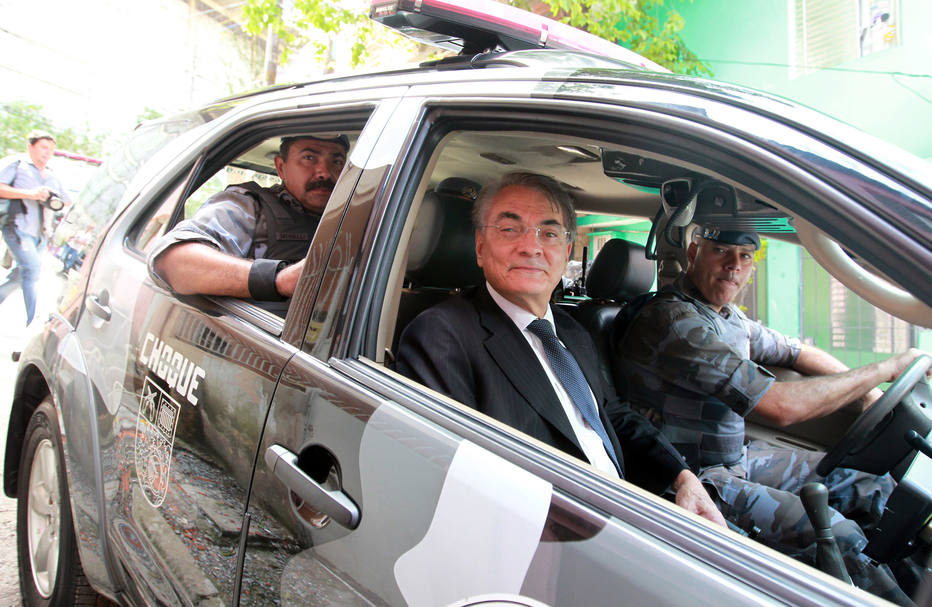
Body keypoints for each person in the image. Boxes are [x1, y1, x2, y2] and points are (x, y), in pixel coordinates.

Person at [395, 172, 726, 527]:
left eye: (549, 234)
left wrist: (681, 476)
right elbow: (459, 483)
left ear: (566, 252)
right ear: (480, 247)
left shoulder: (572, 330)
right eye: (509, 229)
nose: (531, 246)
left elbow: (610, 413)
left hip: (628, 505)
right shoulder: (440, 336)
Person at [618, 225, 928, 604]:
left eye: (745, 257)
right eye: (721, 251)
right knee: (840, 536)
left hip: (738, 460)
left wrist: (870, 393)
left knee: (872, 487)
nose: (734, 265)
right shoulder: (673, 321)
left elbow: (797, 352)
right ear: (694, 254)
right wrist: (885, 369)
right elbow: (781, 407)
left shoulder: (729, 317)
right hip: (694, 476)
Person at [148, 134, 348, 315]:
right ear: (281, 167)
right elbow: (173, 262)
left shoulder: (354, 219)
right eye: (309, 158)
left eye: (337, 161)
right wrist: (280, 279)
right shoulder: (248, 207)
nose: (324, 172)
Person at [0, 130, 69, 326]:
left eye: (51, 150)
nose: (47, 153)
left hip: (41, 234)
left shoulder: (52, 175)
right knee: (33, 270)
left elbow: (67, 201)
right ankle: (33, 320)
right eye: (43, 148)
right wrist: (31, 194)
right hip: (17, 227)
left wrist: (53, 199)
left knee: (19, 276)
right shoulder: (18, 165)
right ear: (30, 147)